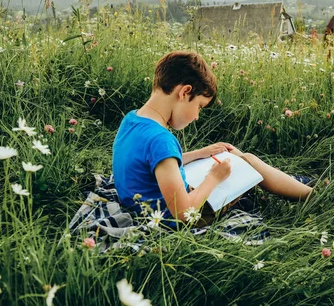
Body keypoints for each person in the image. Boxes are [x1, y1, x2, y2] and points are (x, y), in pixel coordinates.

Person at [112, 50, 313, 228]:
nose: (197, 116)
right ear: (185, 92)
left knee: (230, 154)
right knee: (246, 162)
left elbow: (153, 162)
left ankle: (297, 186)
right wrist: (214, 178)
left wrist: (199, 154)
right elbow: (183, 214)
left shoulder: (133, 119)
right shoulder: (160, 139)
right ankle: (311, 196)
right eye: (199, 106)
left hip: (142, 206)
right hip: (174, 218)